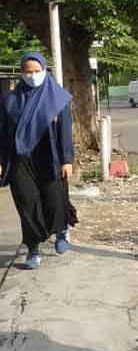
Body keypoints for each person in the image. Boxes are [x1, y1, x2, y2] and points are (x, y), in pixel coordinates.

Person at [0, 52, 75, 269]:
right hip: (20, 160)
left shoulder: (58, 99)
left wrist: (67, 159)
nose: (32, 76)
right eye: (28, 72)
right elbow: (3, 133)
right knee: (27, 204)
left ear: (44, 70)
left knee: (53, 200)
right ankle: (33, 249)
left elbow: (65, 132)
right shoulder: (10, 101)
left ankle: (61, 231)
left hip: (50, 157)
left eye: (37, 71)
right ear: (22, 73)